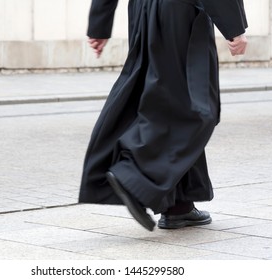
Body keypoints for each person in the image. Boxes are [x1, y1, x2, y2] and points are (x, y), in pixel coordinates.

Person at [79, 0, 248, 231]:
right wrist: (233, 26)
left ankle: (179, 206)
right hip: (179, 14)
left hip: (142, 12)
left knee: (162, 100)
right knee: (198, 107)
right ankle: (136, 174)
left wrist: (100, 24)